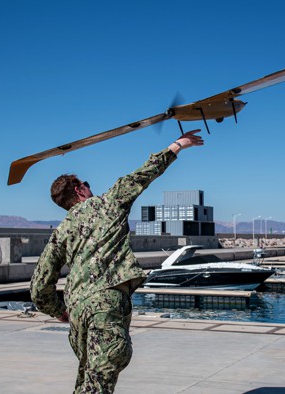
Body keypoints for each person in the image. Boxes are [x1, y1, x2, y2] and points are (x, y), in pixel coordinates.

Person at [31, 129, 204, 393]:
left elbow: (38, 288)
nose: (90, 186)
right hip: (106, 305)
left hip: (77, 310)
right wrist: (179, 145)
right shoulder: (109, 203)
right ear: (79, 190)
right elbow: (144, 174)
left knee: (89, 379)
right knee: (101, 379)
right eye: (86, 183)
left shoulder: (61, 232)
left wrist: (60, 311)